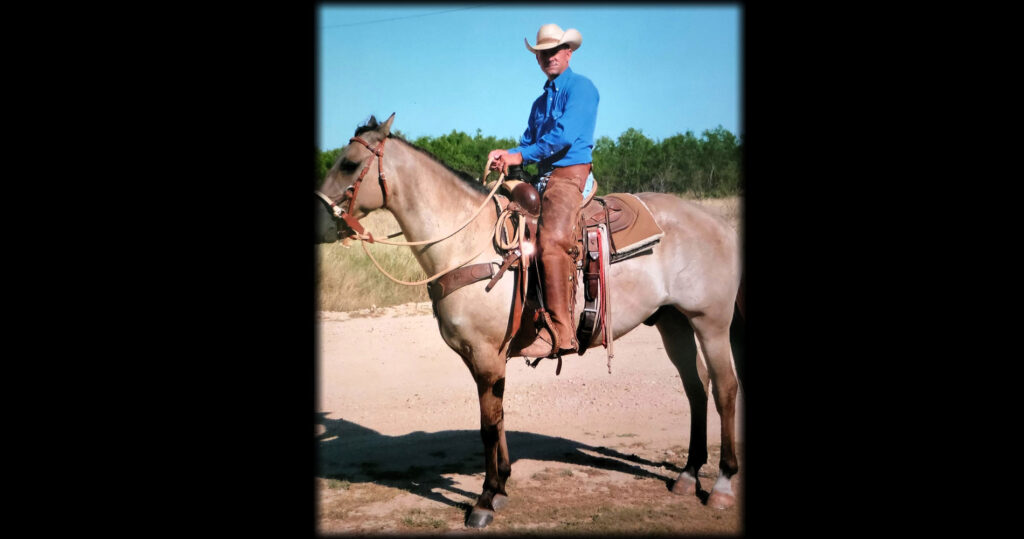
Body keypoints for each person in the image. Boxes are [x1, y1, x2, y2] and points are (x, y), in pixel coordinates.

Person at [488, 23, 600, 358]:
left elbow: (563, 137)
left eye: (554, 51)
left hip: (569, 175)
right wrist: (505, 156)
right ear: (538, 59)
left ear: (569, 52)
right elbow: (527, 142)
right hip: (543, 178)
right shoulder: (539, 103)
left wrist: (520, 155)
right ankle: (527, 319)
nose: (548, 57)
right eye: (542, 53)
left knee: (551, 242)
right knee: (512, 229)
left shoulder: (581, 89)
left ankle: (562, 332)